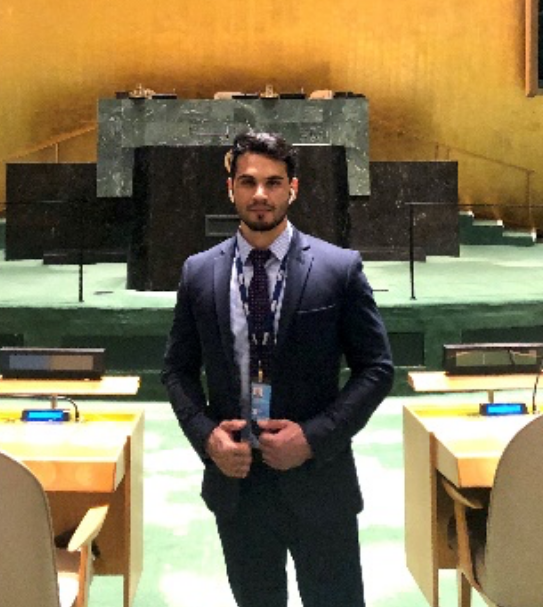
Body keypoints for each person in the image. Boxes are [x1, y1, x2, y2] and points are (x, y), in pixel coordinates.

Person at [162, 130, 394, 607]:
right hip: (239, 484)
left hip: (319, 480)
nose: (261, 195)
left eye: (273, 181)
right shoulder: (199, 273)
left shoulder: (338, 268)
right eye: (248, 182)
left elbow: (376, 368)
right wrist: (208, 437)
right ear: (231, 189)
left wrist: (312, 438)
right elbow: (177, 371)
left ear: (294, 188)